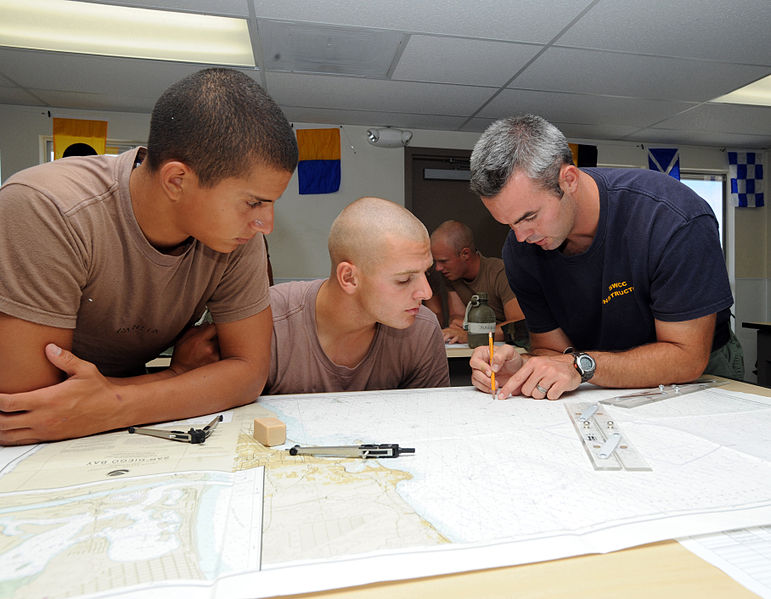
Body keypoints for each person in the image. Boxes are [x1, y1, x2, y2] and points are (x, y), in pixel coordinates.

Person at [0, 68, 298, 445]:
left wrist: (115, 401)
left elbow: (249, 373)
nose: (265, 224)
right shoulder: (48, 206)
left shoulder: (237, 236)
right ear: (177, 180)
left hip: (101, 422)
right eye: (254, 202)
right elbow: (26, 411)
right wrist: (173, 381)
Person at [467, 114, 743, 400]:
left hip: (699, 373)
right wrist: (525, 367)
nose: (521, 236)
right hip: (594, 372)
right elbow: (553, 350)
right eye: (509, 224)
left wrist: (582, 366)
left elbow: (686, 358)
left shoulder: (671, 219)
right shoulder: (520, 250)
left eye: (529, 217)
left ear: (569, 180)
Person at [263, 196, 450, 394]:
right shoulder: (269, 321)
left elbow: (430, 421)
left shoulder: (421, 329)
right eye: (404, 280)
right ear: (349, 278)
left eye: (426, 273)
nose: (426, 292)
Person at [429, 220, 525, 344]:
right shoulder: (451, 275)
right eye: (436, 262)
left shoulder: (501, 273)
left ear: (465, 254)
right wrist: (456, 328)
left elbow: (518, 326)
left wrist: (471, 335)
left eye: (443, 261)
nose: (438, 268)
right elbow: (458, 318)